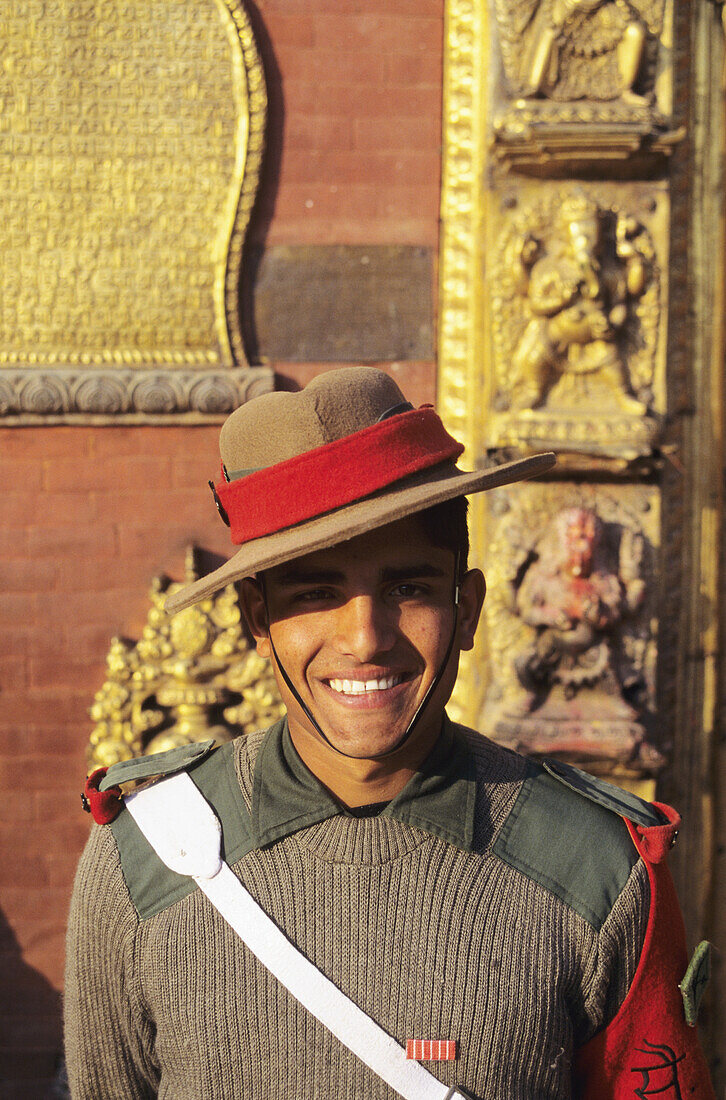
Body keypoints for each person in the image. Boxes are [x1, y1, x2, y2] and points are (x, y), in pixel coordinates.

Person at [65, 367, 714, 1099]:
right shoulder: (145, 861)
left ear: (467, 609)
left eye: (408, 589)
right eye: (316, 593)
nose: (365, 638)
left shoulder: (595, 868)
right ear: (256, 619)